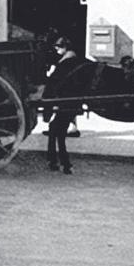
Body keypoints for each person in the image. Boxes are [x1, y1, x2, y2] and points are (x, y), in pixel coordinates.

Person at [44, 36, 86, 173]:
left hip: (66, 97)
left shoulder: (67, 61)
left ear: (65, 47)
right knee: (59, 128)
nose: (56, 49)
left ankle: (55, 159)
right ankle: (60, 160)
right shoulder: (69, 60)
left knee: (57, 128)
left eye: (58, 47)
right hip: (69, 97)